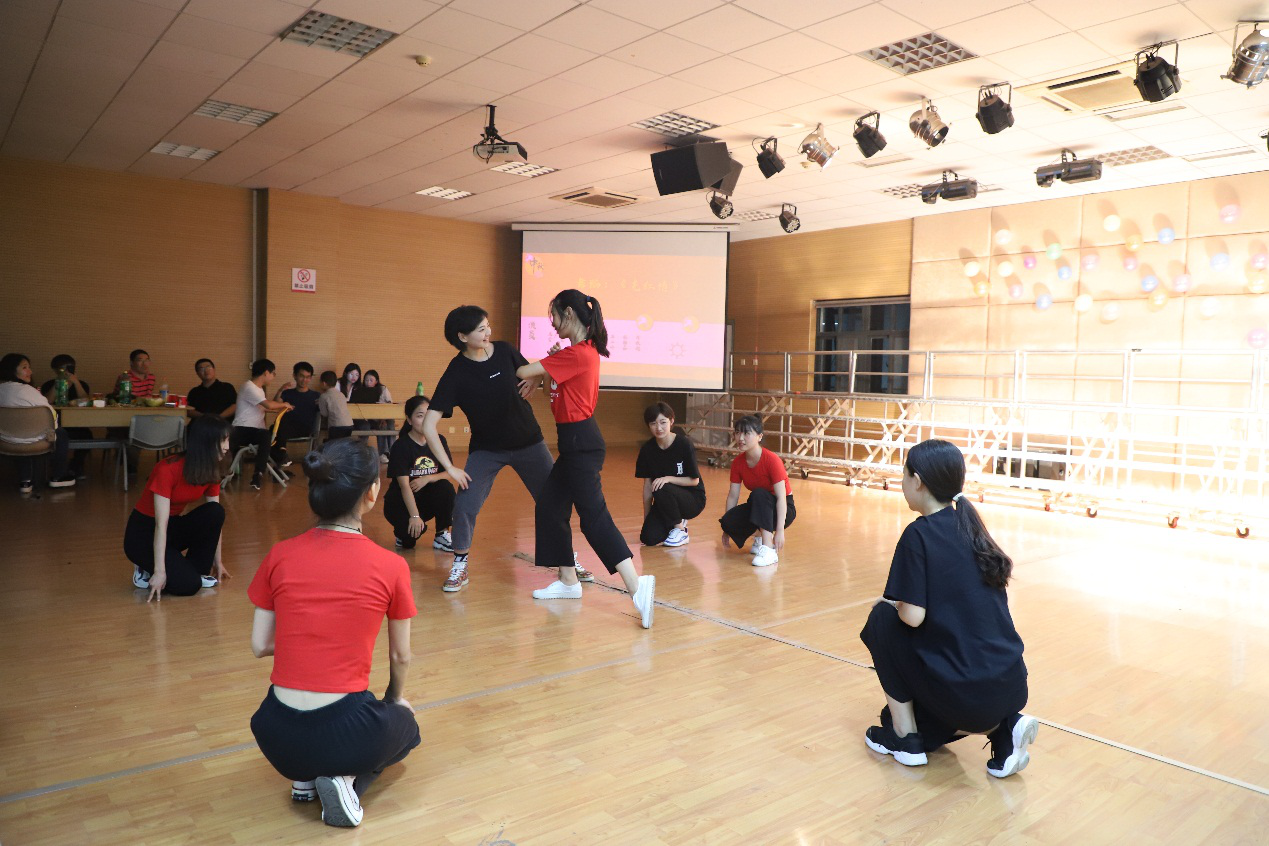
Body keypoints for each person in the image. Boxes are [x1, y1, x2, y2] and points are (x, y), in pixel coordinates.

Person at [248, 438, 420, 829]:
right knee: (407, 729)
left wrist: (308, 639)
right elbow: (400, 655)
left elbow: (259, 645)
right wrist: (394, 700)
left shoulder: (279, 554)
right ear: (372, 492)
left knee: (323, 732)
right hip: (343, 729)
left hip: (275, 733)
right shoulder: (391, 566)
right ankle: (346, 781)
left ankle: (304, 778)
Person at [859, 439, 1036, 778]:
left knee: (881, 618)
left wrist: (892, 602)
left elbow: (913, 617)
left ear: (918, 481)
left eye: (904, 475)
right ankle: (1004, 729)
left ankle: (904, 739)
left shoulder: (918, 534)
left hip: (966, 696)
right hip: (1010, 685)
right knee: (908, 719)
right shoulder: (972, 529)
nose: (902, 483)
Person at [423, 305, 593, 593]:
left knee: (554, 500)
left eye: (487, 325)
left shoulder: (504, 351)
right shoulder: (456, 372)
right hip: (486, 450)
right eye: (480, 329)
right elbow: (429, 424)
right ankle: (460, 564)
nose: (488, 332)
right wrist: (449, 467)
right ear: (462, 337)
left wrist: (538, 376)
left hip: (529, 442)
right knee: (465, 504)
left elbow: (532, 375)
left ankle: (567, 560)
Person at [515, 289, 656, 628]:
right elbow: (555, 388)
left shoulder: (577, 354)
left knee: (593, 518)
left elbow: (521, 371)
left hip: (581, 442)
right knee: (550, 505)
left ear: (569, 313)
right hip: (574, 442)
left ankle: (638, 586)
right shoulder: (577, 353)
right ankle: (568, 580)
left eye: (554, 316)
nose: (552, 324)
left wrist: (538, 370)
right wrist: (546, 371)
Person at [123, 415, 231, 599]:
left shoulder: (212, 468)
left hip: (171, 529)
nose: (227, 446)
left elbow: (215, 522)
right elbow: (160, 525)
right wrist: (160, 572)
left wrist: (218, 562)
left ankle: (182, 569)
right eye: (223, 440)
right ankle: (146, 568)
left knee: (215, 511)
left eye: (228, 440)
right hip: (143, 535)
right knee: (189, 586)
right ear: (204, 442)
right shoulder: (168, 469)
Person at [719, 415, 795, 568]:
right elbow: (733, 496)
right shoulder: (738, 463)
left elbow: (781, 498)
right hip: (759, 506)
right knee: (727, 521)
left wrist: (780, 531)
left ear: (759, 436)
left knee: (759, 493)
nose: (740, 438)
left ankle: (768, 549)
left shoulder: (772, 460)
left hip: (782, 509)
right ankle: (760, 537)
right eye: (737, 433)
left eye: (747, 433)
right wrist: (727, 528)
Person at [384, 395, 455, 551]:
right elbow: (404, 486)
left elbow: (449, 473)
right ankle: (402, 532)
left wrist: (427, 478)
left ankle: (442, 534)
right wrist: (415, 516)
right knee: (408, 542)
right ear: (409, 420)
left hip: (425, 499)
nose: (425, 420)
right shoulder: (401, 446)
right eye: (420, 416)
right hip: (401, 502)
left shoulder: (439, 440)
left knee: (446, 488)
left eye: (428, 415)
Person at [0, 353, 76, 493]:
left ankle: (25, 480)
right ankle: (58, 476)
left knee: (19, 433)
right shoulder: (29, 391)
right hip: (36, 441)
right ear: (11, 370)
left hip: (5, 441)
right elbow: (49, 415)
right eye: (25, 367)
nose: (30, 371)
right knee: (60, 432)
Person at [636, 402, 706, 547]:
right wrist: (647, 519)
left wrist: (668, 478)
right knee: (648, 538)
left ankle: (680, 530)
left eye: (663, 422)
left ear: (671, 421)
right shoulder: (647, 449)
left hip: (692, 499)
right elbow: (648, 486)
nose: (659, 428)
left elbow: (694, 481)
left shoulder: (684, 444)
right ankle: (674, 518)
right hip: (665, 500)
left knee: (661, 486)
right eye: (653, 423)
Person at [230, 359, 293, 491]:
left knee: (275, 430)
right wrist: (284, 404)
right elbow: (268, 405)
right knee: (265, 435)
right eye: (273, 373)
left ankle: (279, 458)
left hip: (255, 431)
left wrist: (281, 393)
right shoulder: (248, 387)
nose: (273, 376)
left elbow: (267, 406)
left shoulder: (259, 390)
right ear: (266, 372)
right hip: (241, 430)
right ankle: (261, 471)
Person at [40, 354, 91, 478]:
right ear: (55, 370)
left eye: (69, 368)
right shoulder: (48, 384)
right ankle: (57, 468)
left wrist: (76, 382)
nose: (66, 371)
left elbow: (86, 402)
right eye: (62, 368)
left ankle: (77, 465)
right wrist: (58, 383)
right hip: (55, 423)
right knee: (56, 437)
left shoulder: (82, 384)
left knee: (87, 435)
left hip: (77, 423)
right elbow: (47, 402)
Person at [271, 361, 319, 464]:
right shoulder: (287, 393)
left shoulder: (316, 396)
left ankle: (281, 455)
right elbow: (275, 405)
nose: (304, 380)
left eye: (307, 377)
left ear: (311, 378)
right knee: (272, 430)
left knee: (278, 426)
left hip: (306, 429)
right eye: (301, 376)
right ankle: (280, 458)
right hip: (287, 429)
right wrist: (280, 390)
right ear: (295, 376)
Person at [350, 369, 394, 461]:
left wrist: (383, 418)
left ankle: (386, 453)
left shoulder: (382, 389)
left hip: (378, 418)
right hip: (364, 419)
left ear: (376, 381)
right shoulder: (359, 390)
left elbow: (389, 405)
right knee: (365, 426)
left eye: (371, 380)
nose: (368, 382)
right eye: (366, 380)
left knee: (385, 424)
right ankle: (361, 453)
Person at [317, 370, 354, 441]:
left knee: (334, 445)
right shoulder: (341, 394)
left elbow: (324, 414)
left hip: (336, 426)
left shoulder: (324, 396)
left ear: (324, 383)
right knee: (344, 444)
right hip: (349, 425)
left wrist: (320, 404)